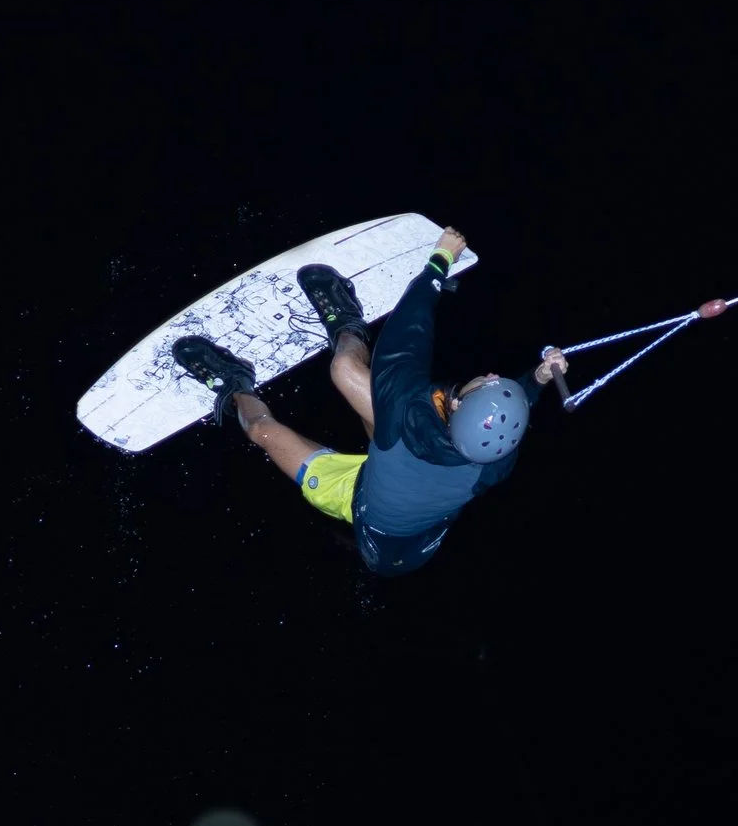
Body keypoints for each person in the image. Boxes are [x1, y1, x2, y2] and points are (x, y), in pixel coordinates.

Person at [173, 226, 567, 576]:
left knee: (270, 423)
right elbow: (509, 415)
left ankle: (237, 381)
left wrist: (440, 259)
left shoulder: (405, 414)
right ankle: (342, 325)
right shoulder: (496, 463)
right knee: (357, 390)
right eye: (503, 386)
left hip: (367, 510)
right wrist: (536, 377)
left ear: (458, 407)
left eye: (489, 384)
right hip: (403, 469)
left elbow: (409, 327)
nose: (495, 377)